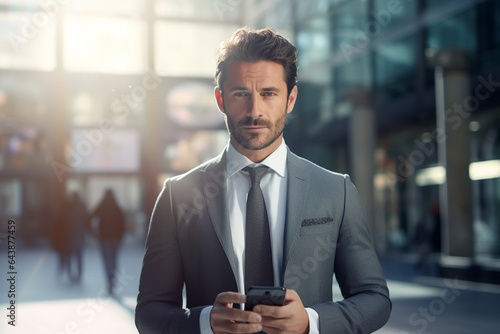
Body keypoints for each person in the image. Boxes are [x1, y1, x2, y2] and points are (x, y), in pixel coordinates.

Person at [136, 27, 391, 333]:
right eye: (240, 93)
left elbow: (375, 300)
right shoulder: (178, 195)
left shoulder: (336, 190)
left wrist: (312, 321)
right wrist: (205, 323)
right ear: (220, 99)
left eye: (269, 93)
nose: (254, 111)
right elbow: (150, 312)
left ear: (291, 98)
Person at [90, 188, 125, 294]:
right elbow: (123, 223)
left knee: (106, 260)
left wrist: (94, 234)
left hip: (104, 238)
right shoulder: (117, 206)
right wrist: (120, 237)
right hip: (114, 238)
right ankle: (112, 281)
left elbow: (89, 218)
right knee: (114, 260)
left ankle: (109, 280)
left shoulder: (102, 206)